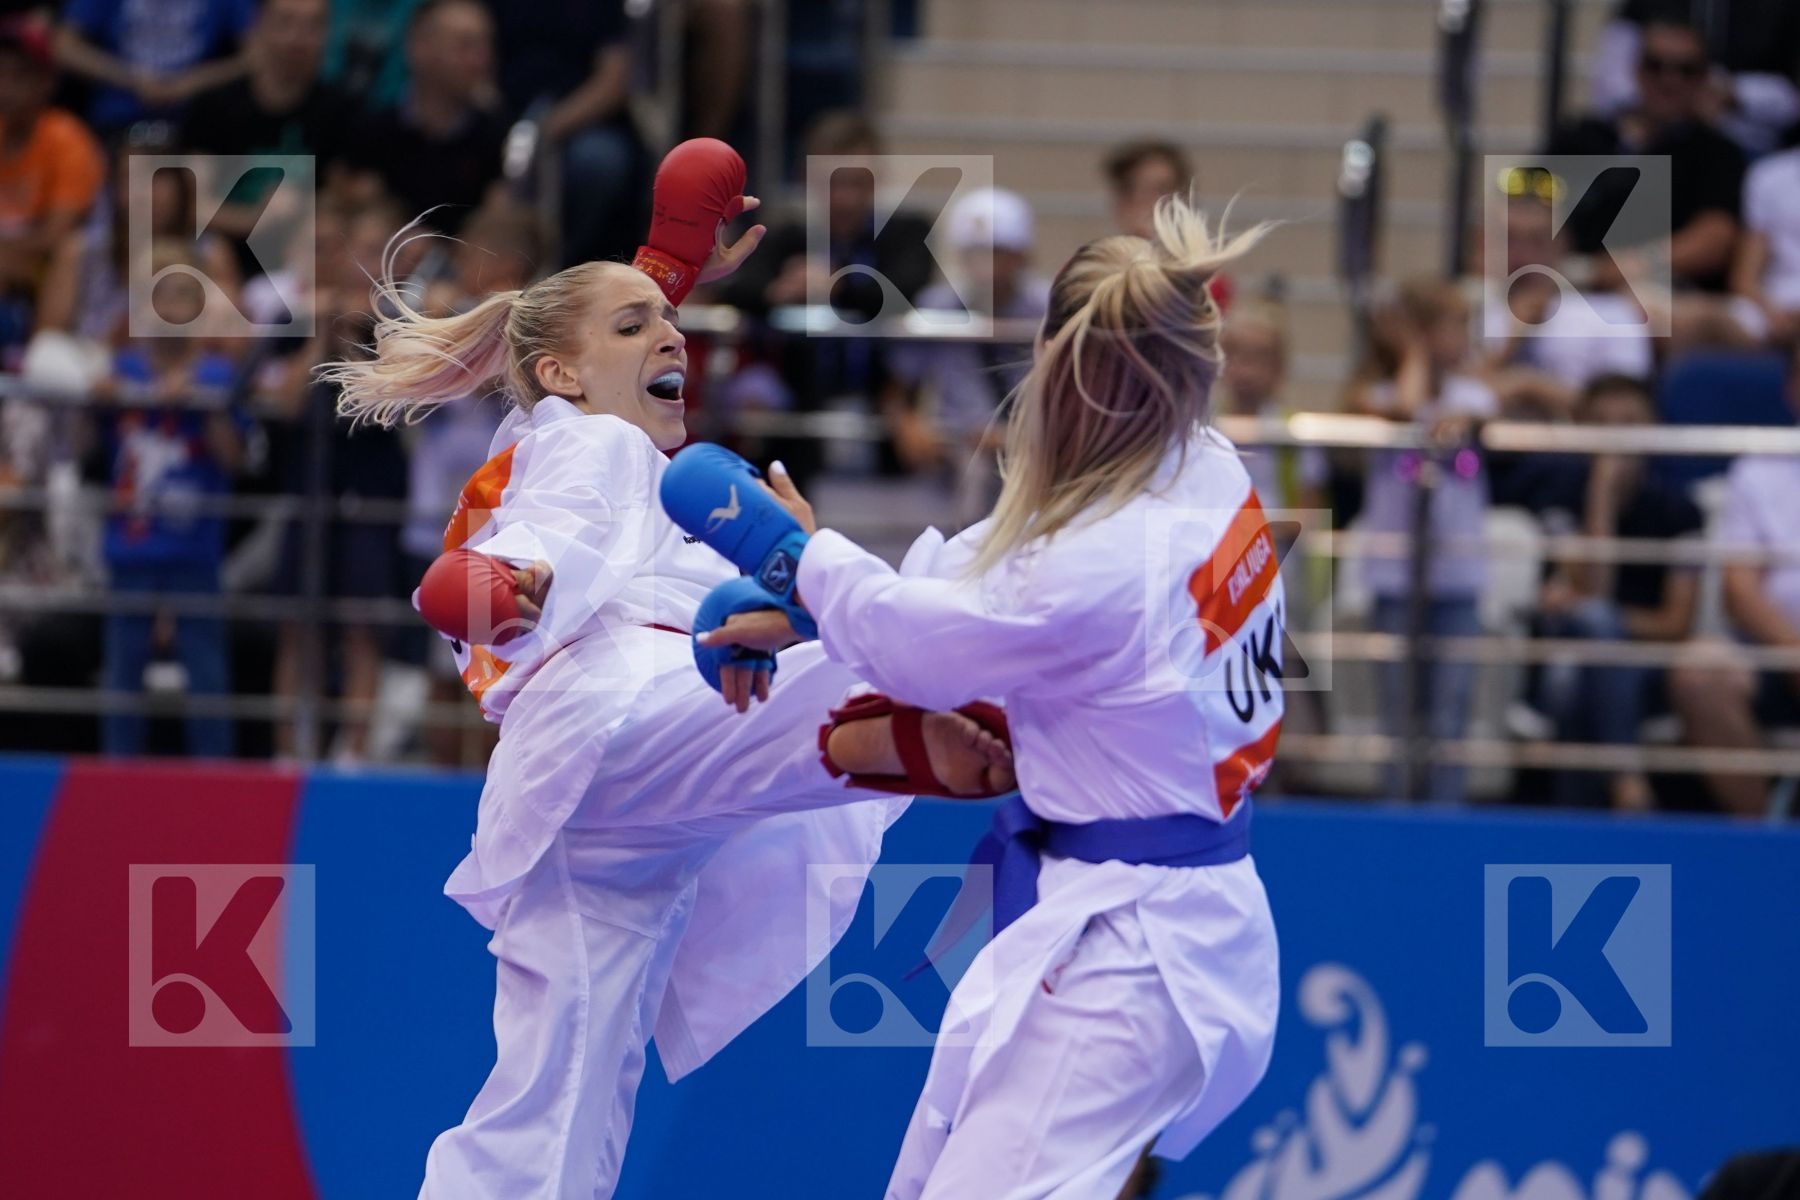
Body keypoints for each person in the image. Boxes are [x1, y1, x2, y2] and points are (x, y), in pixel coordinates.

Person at [325, 140, 1010, 1198]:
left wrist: (670, 263)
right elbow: (544, 536)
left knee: (560, 1115)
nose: (671, 334)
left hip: (606, 825)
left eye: (672, 322)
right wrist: (491, 585)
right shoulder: (591, 448)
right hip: (619, 727)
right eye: (639, 325)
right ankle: (871, 705)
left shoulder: (598, 436)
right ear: (563, 374)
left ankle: (858, 708)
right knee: (880, 608)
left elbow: (588, 348)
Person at [686, 194, 1283, 1200]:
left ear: (1056, 362)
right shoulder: (1202, 465)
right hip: (1173, 920)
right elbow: (991, 582)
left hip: (1134, 954)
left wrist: (793, 557)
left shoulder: (1103, 560)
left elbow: (931, 648)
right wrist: (819, 602)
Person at [89, 242, 246, 758]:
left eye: (184, 295)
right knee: (122, 672)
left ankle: (215, 777)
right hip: (130, 546)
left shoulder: (218, 375)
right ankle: (116, 775)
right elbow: (83, 450)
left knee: (206, 671)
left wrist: (206, 407)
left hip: (194, 547)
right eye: (161, 296)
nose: (173, 308)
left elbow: (235, 460)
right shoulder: (122, 371)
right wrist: (94, 401)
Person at [1349, 277, 1498, 804]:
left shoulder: (1473, 397)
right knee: (1398, 715)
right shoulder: (1375, 395)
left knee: (1448, 716)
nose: (1464, 337)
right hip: (1395, 578)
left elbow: (1484, 412)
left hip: (1457, 579)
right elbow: (1408, 411)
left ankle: (1445, 815)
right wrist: (1411, 351)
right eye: (1454, 326)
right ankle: (1397, 816)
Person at [1527, 375, 1702, 811]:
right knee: (1577, 664)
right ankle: (1626, 783)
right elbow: (1595, 587)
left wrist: (1601, 617)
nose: (1615, 436)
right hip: (1565, 658)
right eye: (1601, 423)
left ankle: (1575, 826)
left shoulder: (1680, 511)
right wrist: (1601, 497)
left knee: (1595, 633)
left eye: (1628, 422)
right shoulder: (1560, 499)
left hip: (1647, 669)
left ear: (1655, 429)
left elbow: (1675, 625)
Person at [1668, 342, 1800, 817]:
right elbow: (1739, 590)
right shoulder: (1758, 472)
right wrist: (1793, 653)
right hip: (1775, 657)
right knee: (1701, 672)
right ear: (1792, 389)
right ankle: (1764, 838)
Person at [882, 185, 1050, 527]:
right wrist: (909, 425)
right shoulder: (937, 306)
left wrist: (1032, 435)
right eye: (975, 253)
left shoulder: (1049, 306)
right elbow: (897, 387)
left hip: (1037, 446)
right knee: (967, 513)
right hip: (957, 449)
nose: (985, 265)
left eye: (997, 252)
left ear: (1021, 256)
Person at [1549, 17, 1747, 293]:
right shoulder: (1584, 135)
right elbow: (1521, 200)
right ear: (1637, 69)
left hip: (1663, 291)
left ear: (1704, 78)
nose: (1669, 79)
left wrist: (1622, 267)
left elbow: (1715, 240)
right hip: (1566, 280)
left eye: (1686, 70)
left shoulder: (1717, 153)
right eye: (1656, 65)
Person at [343, 0, 507, 237]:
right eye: (466, 46)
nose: (481, 60)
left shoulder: (497, 135)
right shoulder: (372, 131)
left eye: (486, 45)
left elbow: (500, 230)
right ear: (420, 48)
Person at [0, 18, 104, 360]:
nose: (5, 86)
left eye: (18, 76)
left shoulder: (66, 138)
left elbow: (56, 237)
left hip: (45, 282)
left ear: (46, 82)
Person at [53, 0, 253, 134]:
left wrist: (191, 83)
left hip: (196, 125)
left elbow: (256, 56)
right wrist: (129, 78)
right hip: (116, 121)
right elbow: (64, 46)